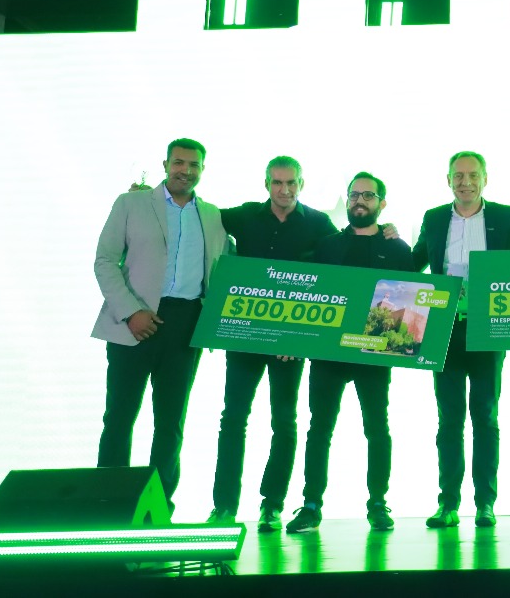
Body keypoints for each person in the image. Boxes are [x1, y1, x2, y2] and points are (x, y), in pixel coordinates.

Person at [92, 138, 228, 513]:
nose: (186, 170)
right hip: (133, 320)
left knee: (171, 422)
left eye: (194, 164)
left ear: (203, 169)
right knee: (120, 416)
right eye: (179, 162)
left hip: (187, 324)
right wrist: (131, 312)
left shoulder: (213, 215)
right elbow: (105, 261)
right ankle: (108, 501)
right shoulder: (131, 203)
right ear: (166, 164)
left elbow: (226, 268)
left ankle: (159, 505)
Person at [206, 156, 336, 532]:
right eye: (278, 182)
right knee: (233, 418)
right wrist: (146, 195)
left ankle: (272, 505)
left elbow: (344, 258)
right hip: (246, 335)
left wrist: (388, 231)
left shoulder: (319, 223)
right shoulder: (246, 215)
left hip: (290, 342)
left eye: (291, 182)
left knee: (284, 420)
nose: (285, 189)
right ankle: (224, 507)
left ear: (301, 184)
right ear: (267, 184)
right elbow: (199, 214)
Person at [286, 172, 413, 533]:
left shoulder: (397, 249)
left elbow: (414, 296)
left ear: (382, 203)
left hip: (374, 354)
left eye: (368, 195)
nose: (360, 201)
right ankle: (311, 505)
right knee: (319, 429)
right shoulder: (326, 246)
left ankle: (378, 503)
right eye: (354, 195)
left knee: (377, 428)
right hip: (328, 354)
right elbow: (307, 294)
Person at [414, 151, 510, 530]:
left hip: (487, 328)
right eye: (458, 176)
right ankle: (448, 503)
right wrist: (386, 239)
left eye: (472, 175)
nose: (465, 182)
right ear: (448, 180)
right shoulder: (433, 218)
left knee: (486, 416)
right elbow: (414, 262)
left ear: (485, 179)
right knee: (449, 419)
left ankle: (485, 503)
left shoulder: (505, 217)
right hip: (444, 330)